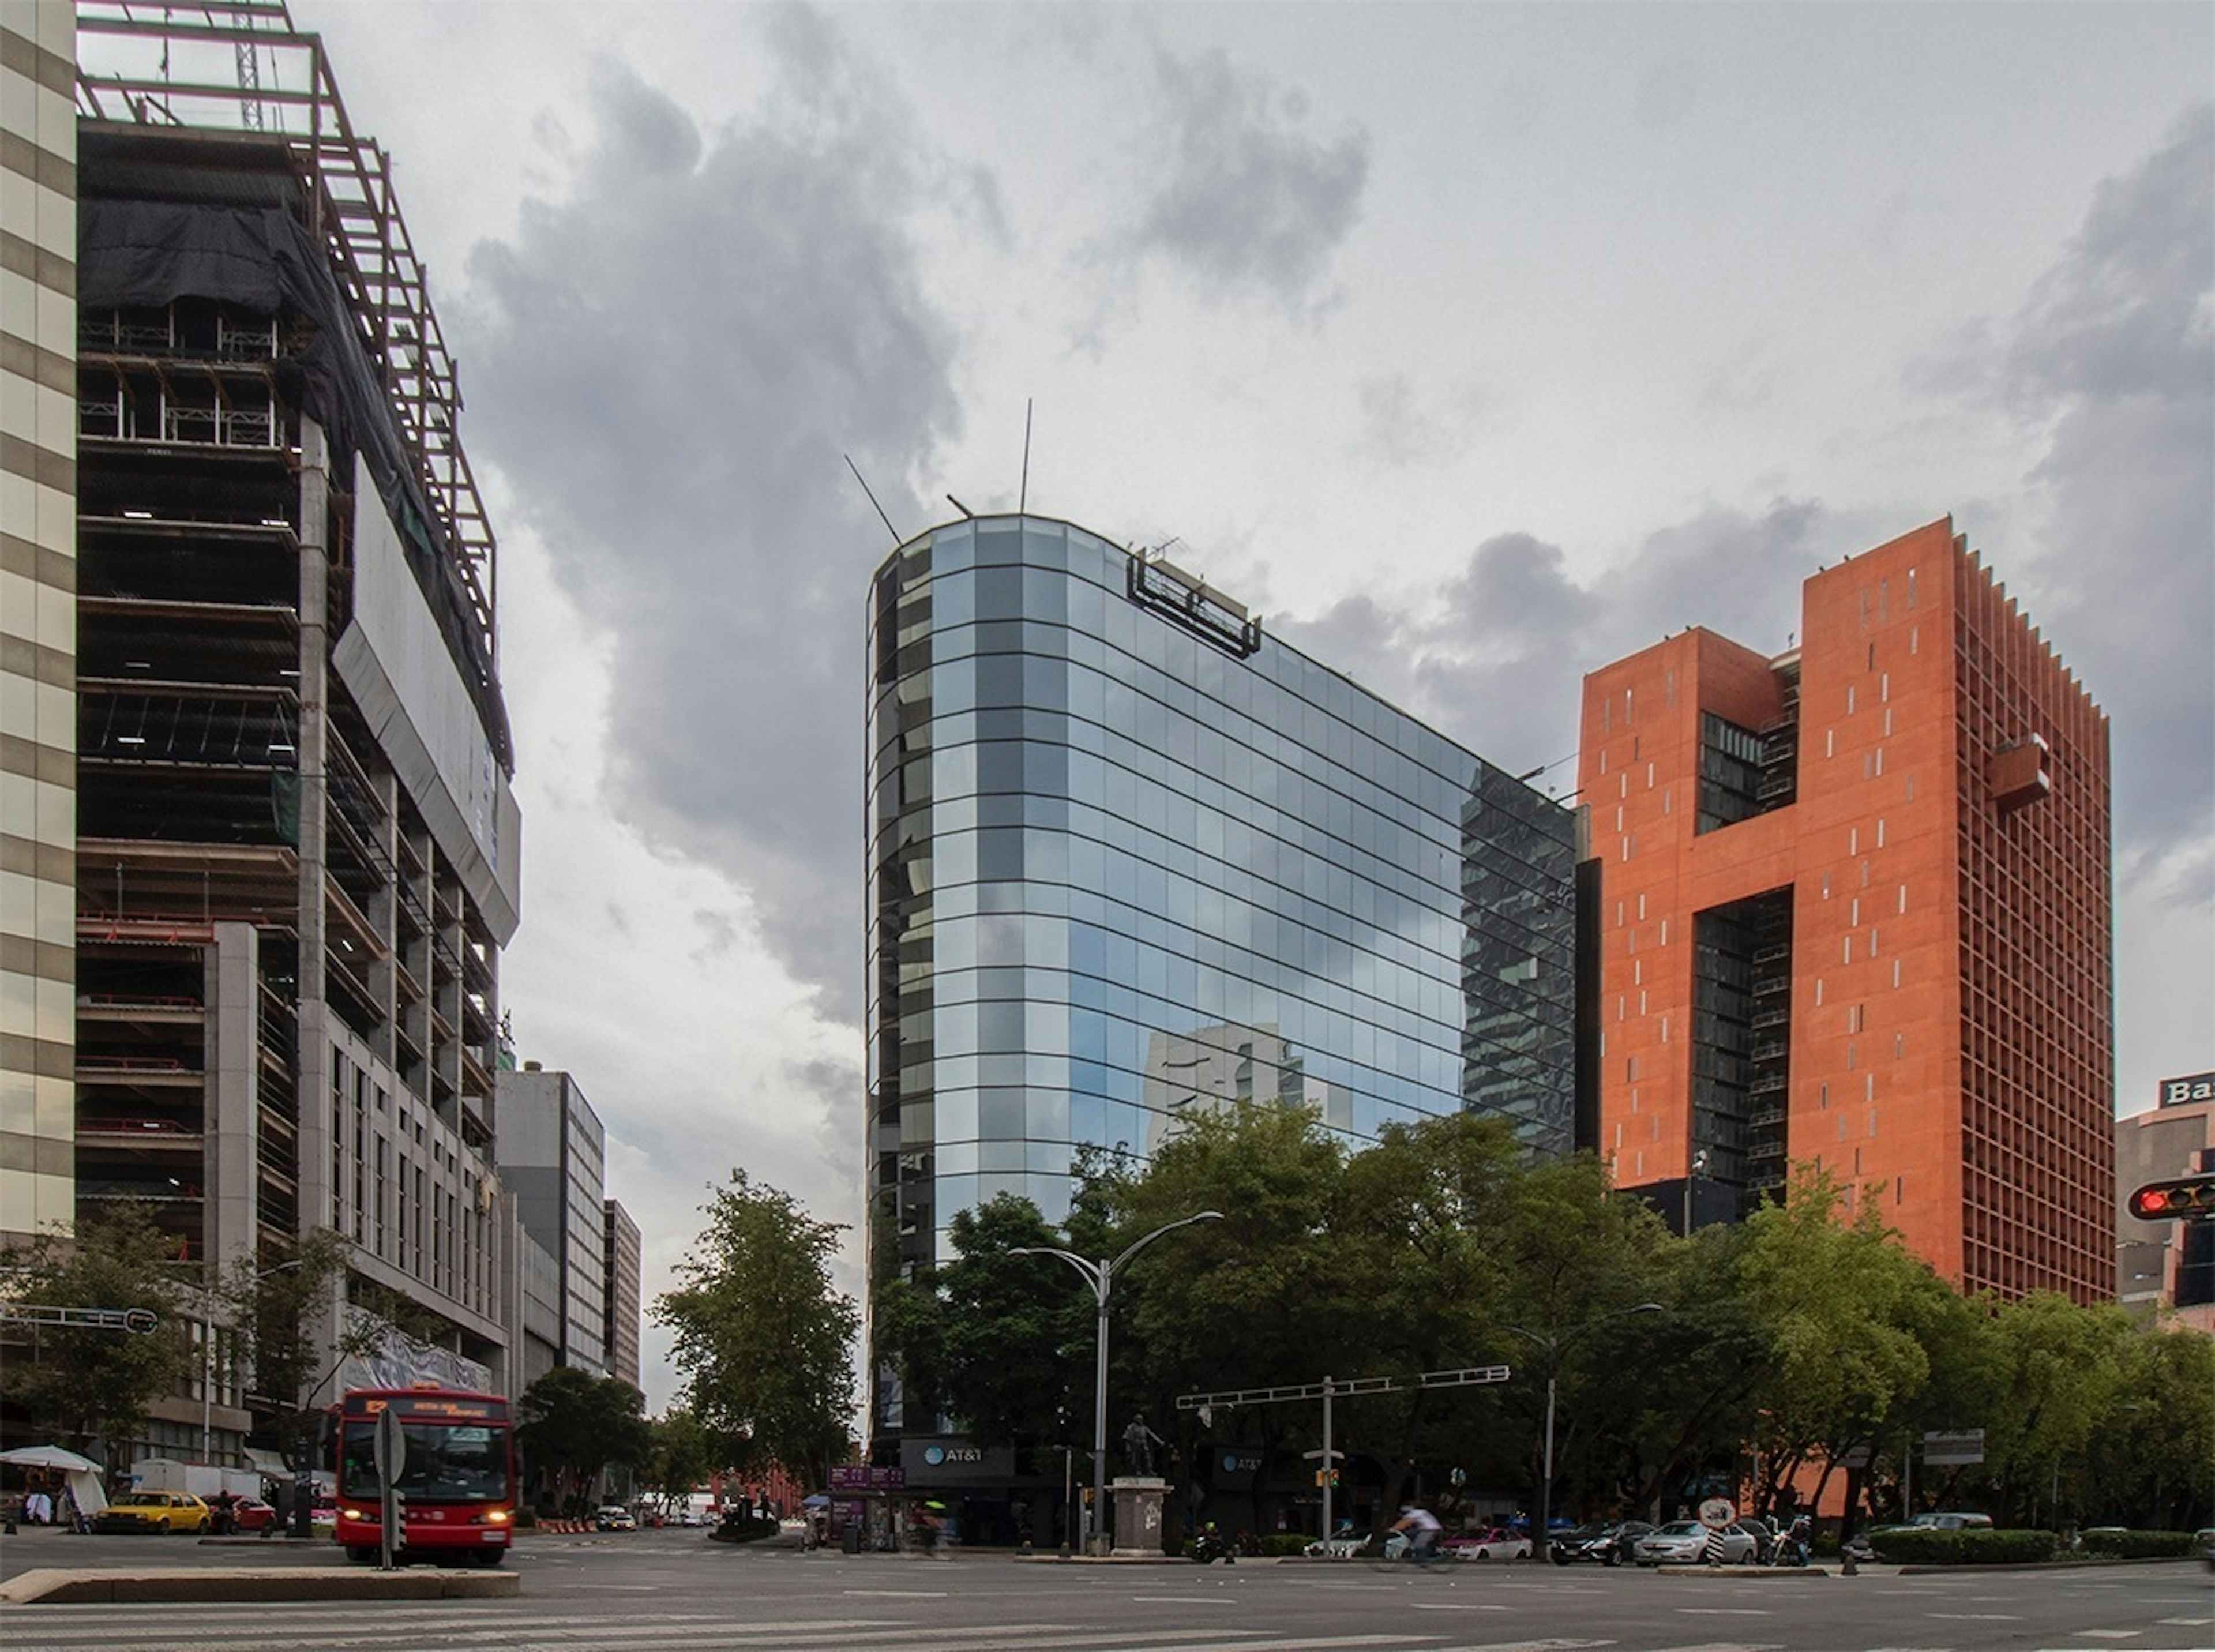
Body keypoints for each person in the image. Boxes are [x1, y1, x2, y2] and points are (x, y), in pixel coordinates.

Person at [1391, 1503, 1443, 1567]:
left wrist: (1393, 1529)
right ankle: (1424, 1552)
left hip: (1429, 1530)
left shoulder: (1412, 1514)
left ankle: (1423, 1560)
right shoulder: (1420, 1512)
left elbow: (1405, 1523)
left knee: (1419, 1546)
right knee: (1411, 1534)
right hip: (1434, 1528)